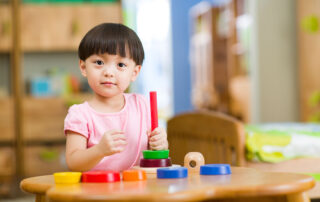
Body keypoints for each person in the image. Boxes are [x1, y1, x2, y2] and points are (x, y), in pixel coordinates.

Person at [64, 23, 168, 172]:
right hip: (97, 192)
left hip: (138, 189)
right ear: (83, 67)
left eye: (120, 64)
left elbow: (154, 157)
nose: (109, 72)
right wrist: (99, 150)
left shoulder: (141, 105)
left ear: (135, 72)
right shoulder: (79, 114)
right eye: (99, 62)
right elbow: (73, 162)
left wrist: (160, 144)